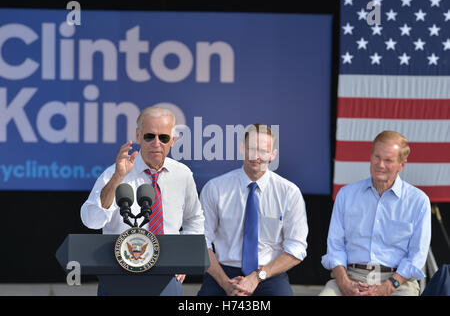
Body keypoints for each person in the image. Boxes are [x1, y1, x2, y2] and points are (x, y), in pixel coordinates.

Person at [80, 106, 204, 295]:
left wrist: (184, 259)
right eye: (149, 136)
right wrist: (117, 178)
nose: (156, 143)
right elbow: (91, 220)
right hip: (118, 274)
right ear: (138, 136)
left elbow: (194, 220)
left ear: (172, 140)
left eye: (163, 137)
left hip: (166, 277)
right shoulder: (116, 172)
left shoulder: (183, 174)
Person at [197, 124, 308, 296]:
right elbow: (200, 240)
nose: (257, 156)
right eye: (252, 149)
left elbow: (296, 248)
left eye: (263, 151)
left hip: (268, 274)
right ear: (242, 148)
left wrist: (257, 277)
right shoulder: (215, 188)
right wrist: (225, 283)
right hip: (223, 272)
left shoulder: (288, 192)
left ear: (273, 155)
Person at [320, 130, 431, 296]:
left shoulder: (418, 201)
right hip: (350, 276)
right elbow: (335, 247)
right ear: (370, 157)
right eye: (377, 157)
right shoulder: (346, 195)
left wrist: (388, 286)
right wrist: (344, 283)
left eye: (388, 160)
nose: (380, 165)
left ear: (402, 165)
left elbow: (417, 256)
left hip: (398, 282)